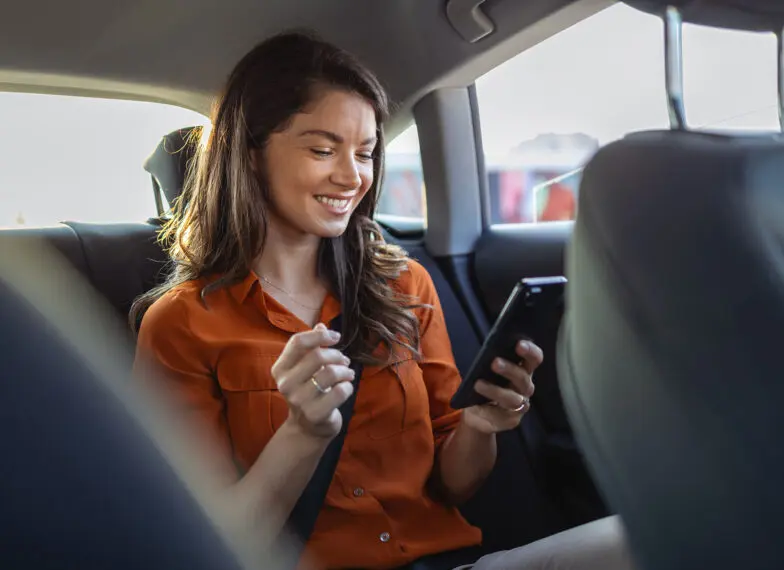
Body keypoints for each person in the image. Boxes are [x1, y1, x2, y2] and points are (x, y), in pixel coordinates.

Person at [131, 30, 634, 570]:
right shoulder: (180, 325)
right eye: (323, 150)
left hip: (446, 563)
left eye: (366, 153)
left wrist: (482, 426)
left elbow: (454, 483)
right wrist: (302, 434)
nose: (352, 177)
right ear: (250, 155)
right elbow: (203, 542)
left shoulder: (403, 285)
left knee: (649, 539)